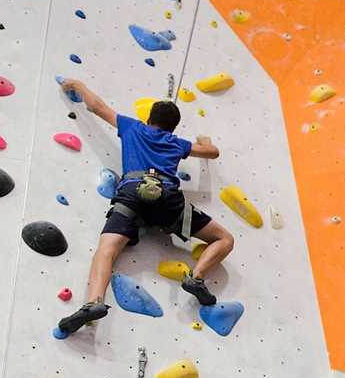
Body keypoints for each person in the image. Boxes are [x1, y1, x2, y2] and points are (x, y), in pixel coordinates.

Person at [56, 79, 235, 336]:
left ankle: (94, 301)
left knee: (106, 250)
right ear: (173, 128)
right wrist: (205, 140)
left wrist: (77, 85)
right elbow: (212, 152)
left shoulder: (133, 127)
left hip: (132, 194)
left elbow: (97, 107)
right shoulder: (177, 143)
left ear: (149, 118)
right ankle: (196, 277)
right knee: (224, 239)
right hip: (168, 201)